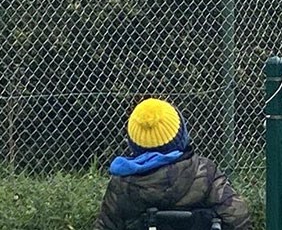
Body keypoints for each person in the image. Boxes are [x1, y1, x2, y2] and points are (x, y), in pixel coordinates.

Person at [94, 98, 251, 230]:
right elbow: (237, 217)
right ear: (181, 136)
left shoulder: (121, 184)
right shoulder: (204, 173)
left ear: (133, 143)